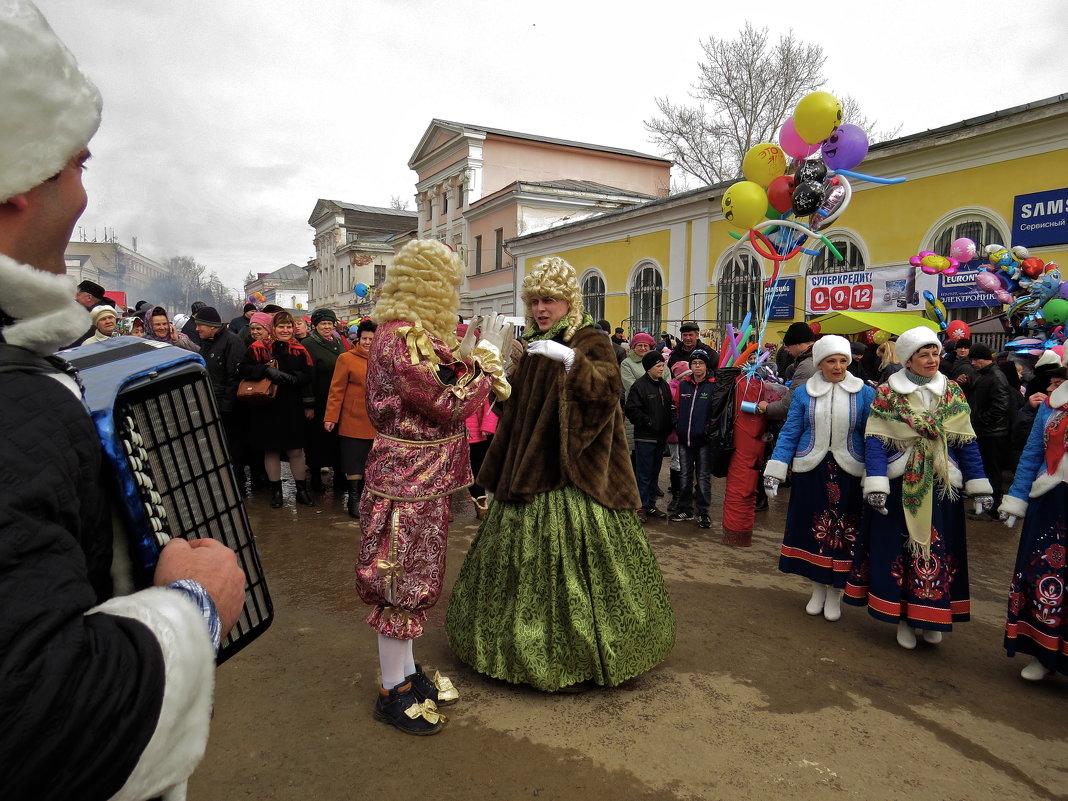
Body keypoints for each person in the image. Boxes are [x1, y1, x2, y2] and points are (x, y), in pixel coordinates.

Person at [0, 4, 246, 798]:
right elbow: (43, 719)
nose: (80, 191)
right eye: (76, 162)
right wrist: (192, 606)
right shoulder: (18, 404)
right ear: (14, 191)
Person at [446, 255, 675, 694]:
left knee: (581, 571)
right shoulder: (533, 343)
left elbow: (608, 394)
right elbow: (520, 409)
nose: (539, 309)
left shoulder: (588, 339)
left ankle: (585, 657)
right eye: (533, 301)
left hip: (576, 474)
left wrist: (572, 361)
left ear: (569, 301)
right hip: (529, 467)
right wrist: (496, 378)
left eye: (548, 300)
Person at [356, 239, 509, 735]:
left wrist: (468, 359)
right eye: (449, 285)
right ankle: (389, 689)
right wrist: (486, 367)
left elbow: (439, 379)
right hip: (407, 479)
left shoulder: (405, 333)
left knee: (416, 575)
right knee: (400, 579)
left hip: (419, 478)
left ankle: (405, 675)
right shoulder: (403, 337)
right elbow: (445, 400)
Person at [844, 326, 993, 650]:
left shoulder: (951, 392)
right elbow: (876, 441)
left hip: (941, 485)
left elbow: (965, 442)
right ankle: (902, 618)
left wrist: (979, 483)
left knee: (939, 552)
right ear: (909, 360)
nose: (931, 359)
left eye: (935, 353)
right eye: (923, 354)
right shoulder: (888, 394)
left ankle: (932, 616)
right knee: (900, 551)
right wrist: (877, 481)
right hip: (900, 485)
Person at [764, 335, 875, 619]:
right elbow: (791, 432)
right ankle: (817, 587)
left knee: (843, 535)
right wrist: (776, 467)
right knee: (813, 532)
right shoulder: (804, 393)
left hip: (848, 472)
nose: (837, 367)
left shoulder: (864, 393)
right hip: (811, 471)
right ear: (819, 363)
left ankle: (835, 593)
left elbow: (872, 437)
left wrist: (875, 476)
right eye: (831, 361)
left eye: (842, 361)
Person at [998, 360, 1068, 681]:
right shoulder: (1052, 403)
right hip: (1049, 503)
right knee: (1043, 576)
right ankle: (1043, 652)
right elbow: (1031, 455)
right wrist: (1017, 498)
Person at [238, 310, 316, 508]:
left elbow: (309, 374)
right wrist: (265, 369)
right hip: (267, 405)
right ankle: (276, 492)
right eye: (281, 326)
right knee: (271, 449)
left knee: (296, 450)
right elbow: (244, 369)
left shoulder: (299, 349)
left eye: (289, 326)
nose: (286, 330)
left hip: (291, 405)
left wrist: (295, 378)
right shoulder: (258, 348)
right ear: (273, 328)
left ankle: (301, 491)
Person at [323, 319, 377, 519]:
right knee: (354, 461)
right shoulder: (346, 358)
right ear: (358, 338)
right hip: (353, 418)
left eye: (371, 339)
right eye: (364, 338)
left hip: (376, 420)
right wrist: (331, 417)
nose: (367, 342)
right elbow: (336, 390)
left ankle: (366, 499)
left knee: (371, 462)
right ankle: (353, 499)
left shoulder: (383, 359)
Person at [625, 350, 674, 521]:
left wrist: (669, 424)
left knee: (654, 473)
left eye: (663, 365)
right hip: (645, 437)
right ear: (649, 368)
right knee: (643, 474)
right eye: (658, 366)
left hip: (660, 437)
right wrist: (648, 422)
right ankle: (640, 506)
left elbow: (669, 408)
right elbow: (631, 409)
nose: (662, 369)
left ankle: (650, 505)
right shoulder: (639, 386)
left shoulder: (664, 385)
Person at [302, 307, 347, 492]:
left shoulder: (338, 342)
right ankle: (315, 478)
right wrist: (309, 404)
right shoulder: (308, 344)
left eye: (330, 323)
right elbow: (307, 376)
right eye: (323, 323)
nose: (327, 327)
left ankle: (339, 476)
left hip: (336, 400)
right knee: (316, 440)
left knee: (336, 440)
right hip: (319, 400)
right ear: (315, 325)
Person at [194, 305, 244, 469]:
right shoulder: (207, 343)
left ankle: (237, 481)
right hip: (211, 403)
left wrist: (227, 407)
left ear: (212, 326)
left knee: (231, 445)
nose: (197, 329)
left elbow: (235, 376)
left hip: (226, 407)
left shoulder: (232, 341)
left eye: (200, 325)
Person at [671, 349, 715, 528]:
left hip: (703, 441)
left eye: (701, 363)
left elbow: (716, 412)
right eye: (694, 363)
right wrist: (678, 425)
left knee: (703, 477)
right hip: (684, 438)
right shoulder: (684, 385)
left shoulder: (712, 385)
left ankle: (703, 512)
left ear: (706, 366)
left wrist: (707, 429)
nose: (697, 366)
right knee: (685, 475)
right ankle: (685, 509)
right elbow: (674, 407)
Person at [968, 341, 1012, 518]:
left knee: (992, 470)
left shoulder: (995, 376)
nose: (972, 363)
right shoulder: (985, 375)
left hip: (993, 433)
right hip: (989, 431)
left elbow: (1001, 405)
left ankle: (992, 507)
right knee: (987, 469)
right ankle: (987, 505)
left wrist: (981, 420)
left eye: (975, 359)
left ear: (985, 359)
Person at [760, 321, 816, 419]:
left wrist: (767, 407)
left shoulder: (807, 366)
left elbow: (791, 404)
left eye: (788, 345)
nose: (786, 349)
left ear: (798, 343)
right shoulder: (813, 359)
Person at [620, 331, 657, 462]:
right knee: (637, 449)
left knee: (654, 448)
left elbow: (665, 381)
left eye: (645, 345)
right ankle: (637, 480)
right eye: (639, 345)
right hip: (637, 408)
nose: (642, 348)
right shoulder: (627, 363)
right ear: (633, 347)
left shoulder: (656, 360)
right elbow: (631, 386)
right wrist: (654, 393)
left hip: (656, 410)